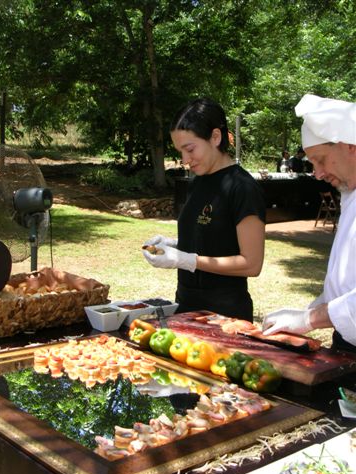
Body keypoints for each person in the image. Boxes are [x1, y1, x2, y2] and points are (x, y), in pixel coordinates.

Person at [142, 98, 266, 321]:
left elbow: (252, 263)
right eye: (180, 151)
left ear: (215, 137)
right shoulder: (197, 181)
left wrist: (188, 260)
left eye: (189, 149)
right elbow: (212, 241)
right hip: (187, 305)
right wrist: (173, 246)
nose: (185, 160)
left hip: (225, 314)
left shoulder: (242, 187)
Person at [262, 93, 356, 352]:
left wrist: (309, 319)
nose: (318, 174)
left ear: (349, 145)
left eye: (321, 160)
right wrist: (311, 309)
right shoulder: (350, 194)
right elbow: (345, 283)